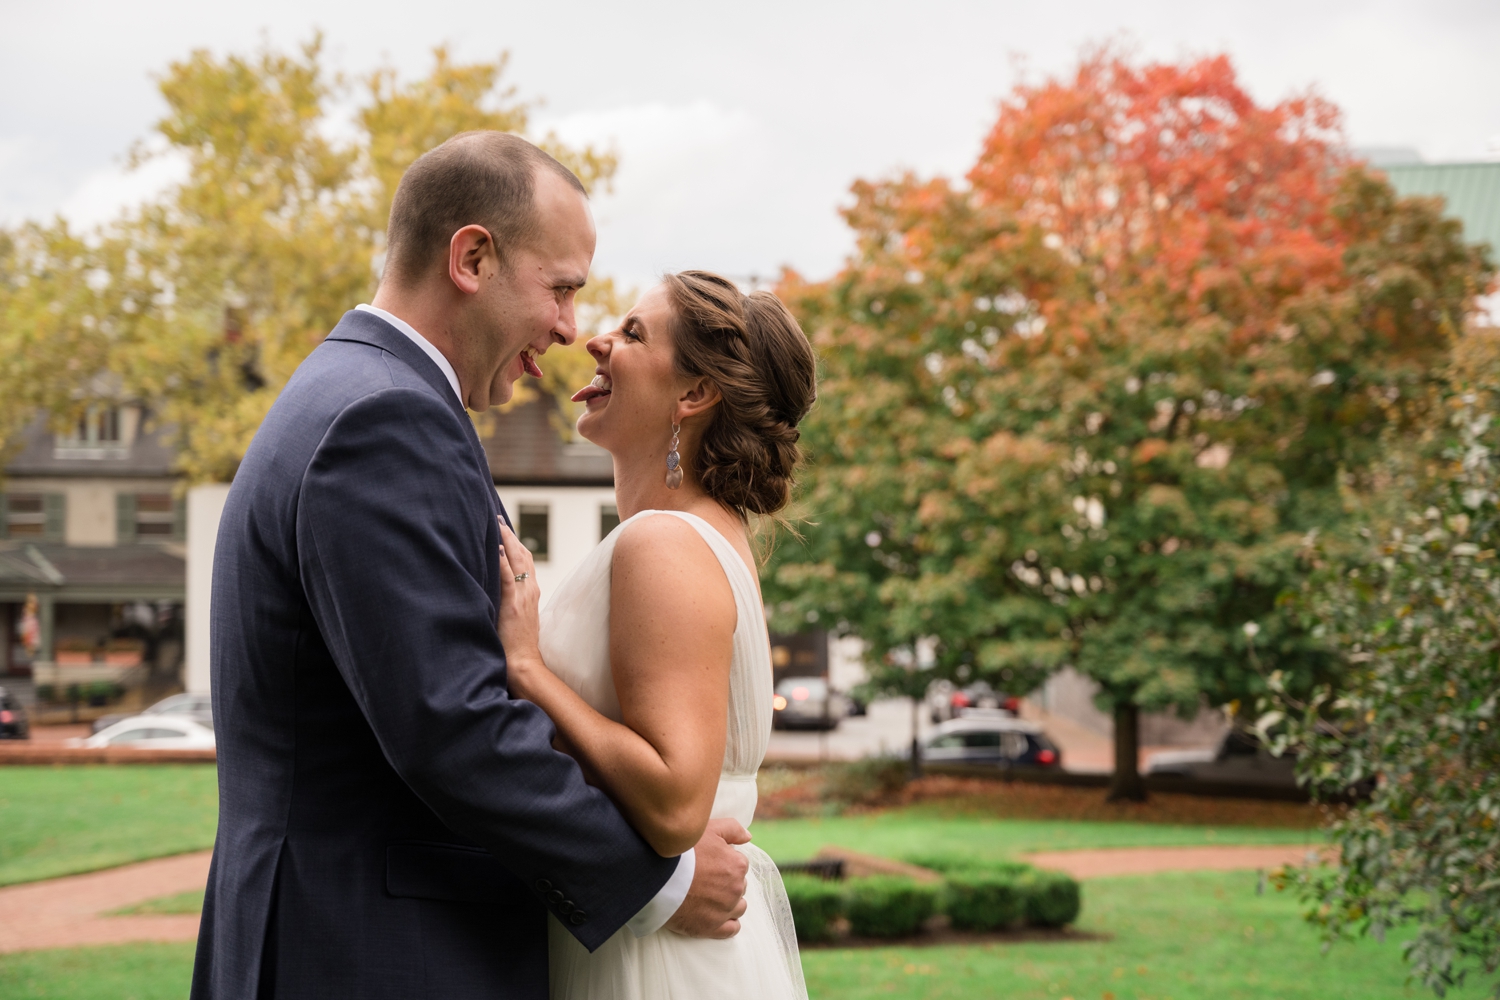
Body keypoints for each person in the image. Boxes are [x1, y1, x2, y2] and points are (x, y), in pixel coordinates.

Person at [191, 132, 751, 1000]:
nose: (571, 328)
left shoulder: (350, 395)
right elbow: (452, 723)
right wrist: (661, 884)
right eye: (561, 288)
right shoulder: (386, 422)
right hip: (373, 954)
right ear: (473, 258)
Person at [496, 270, 817, 999]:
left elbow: (676, 803)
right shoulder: (700, 536)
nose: (594, 341)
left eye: (633, 333)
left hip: (654, 960)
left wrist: (528, 670)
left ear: (694, 394)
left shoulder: (664, 545)